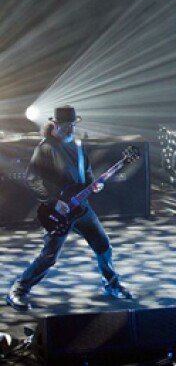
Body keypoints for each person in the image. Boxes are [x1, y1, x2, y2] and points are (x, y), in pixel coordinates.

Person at [5, 106, 133, 312]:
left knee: (103, 246)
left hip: (82, 208)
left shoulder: (78, 145)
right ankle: (18, 290)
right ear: (54, 125)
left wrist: (95, 185)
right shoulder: (46, 148)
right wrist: (54, 202)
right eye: (66, 126)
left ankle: (112, 285)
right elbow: (33, 179)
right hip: (59, 211)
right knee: (49, 257)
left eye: (73, 125)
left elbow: (88, 172)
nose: (70, 129)